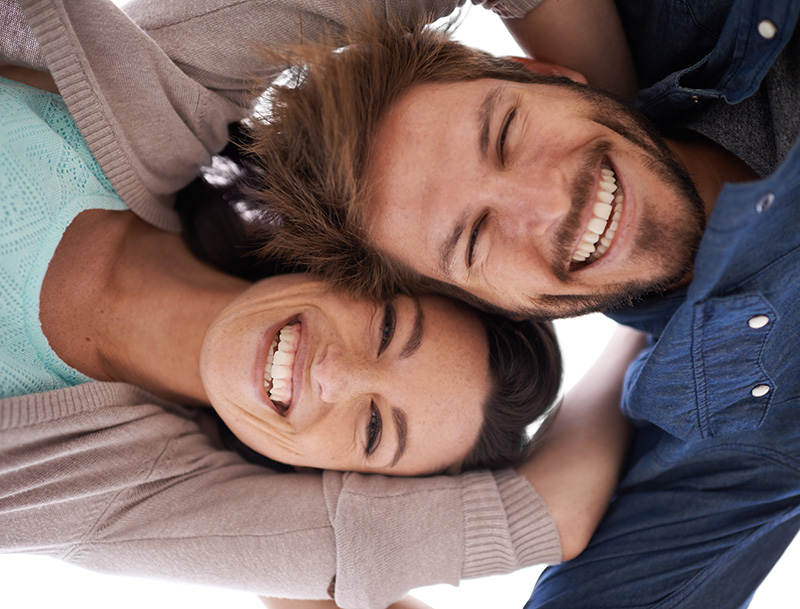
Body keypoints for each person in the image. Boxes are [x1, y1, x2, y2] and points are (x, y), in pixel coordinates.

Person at [1, 1, 639, 608]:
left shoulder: (89, 486)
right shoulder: (167, 95)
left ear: (331, 480)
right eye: (388, 329)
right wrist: (635, 157)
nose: (334, 374)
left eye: (372, 428)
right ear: (363, 267)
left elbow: (551, 513)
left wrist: (652, 333)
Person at [233, 2, 800, 608]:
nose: (553, 201)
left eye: (505, 133)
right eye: (476, 238)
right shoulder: (729, 421)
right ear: (499, 307)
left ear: (546, 73)